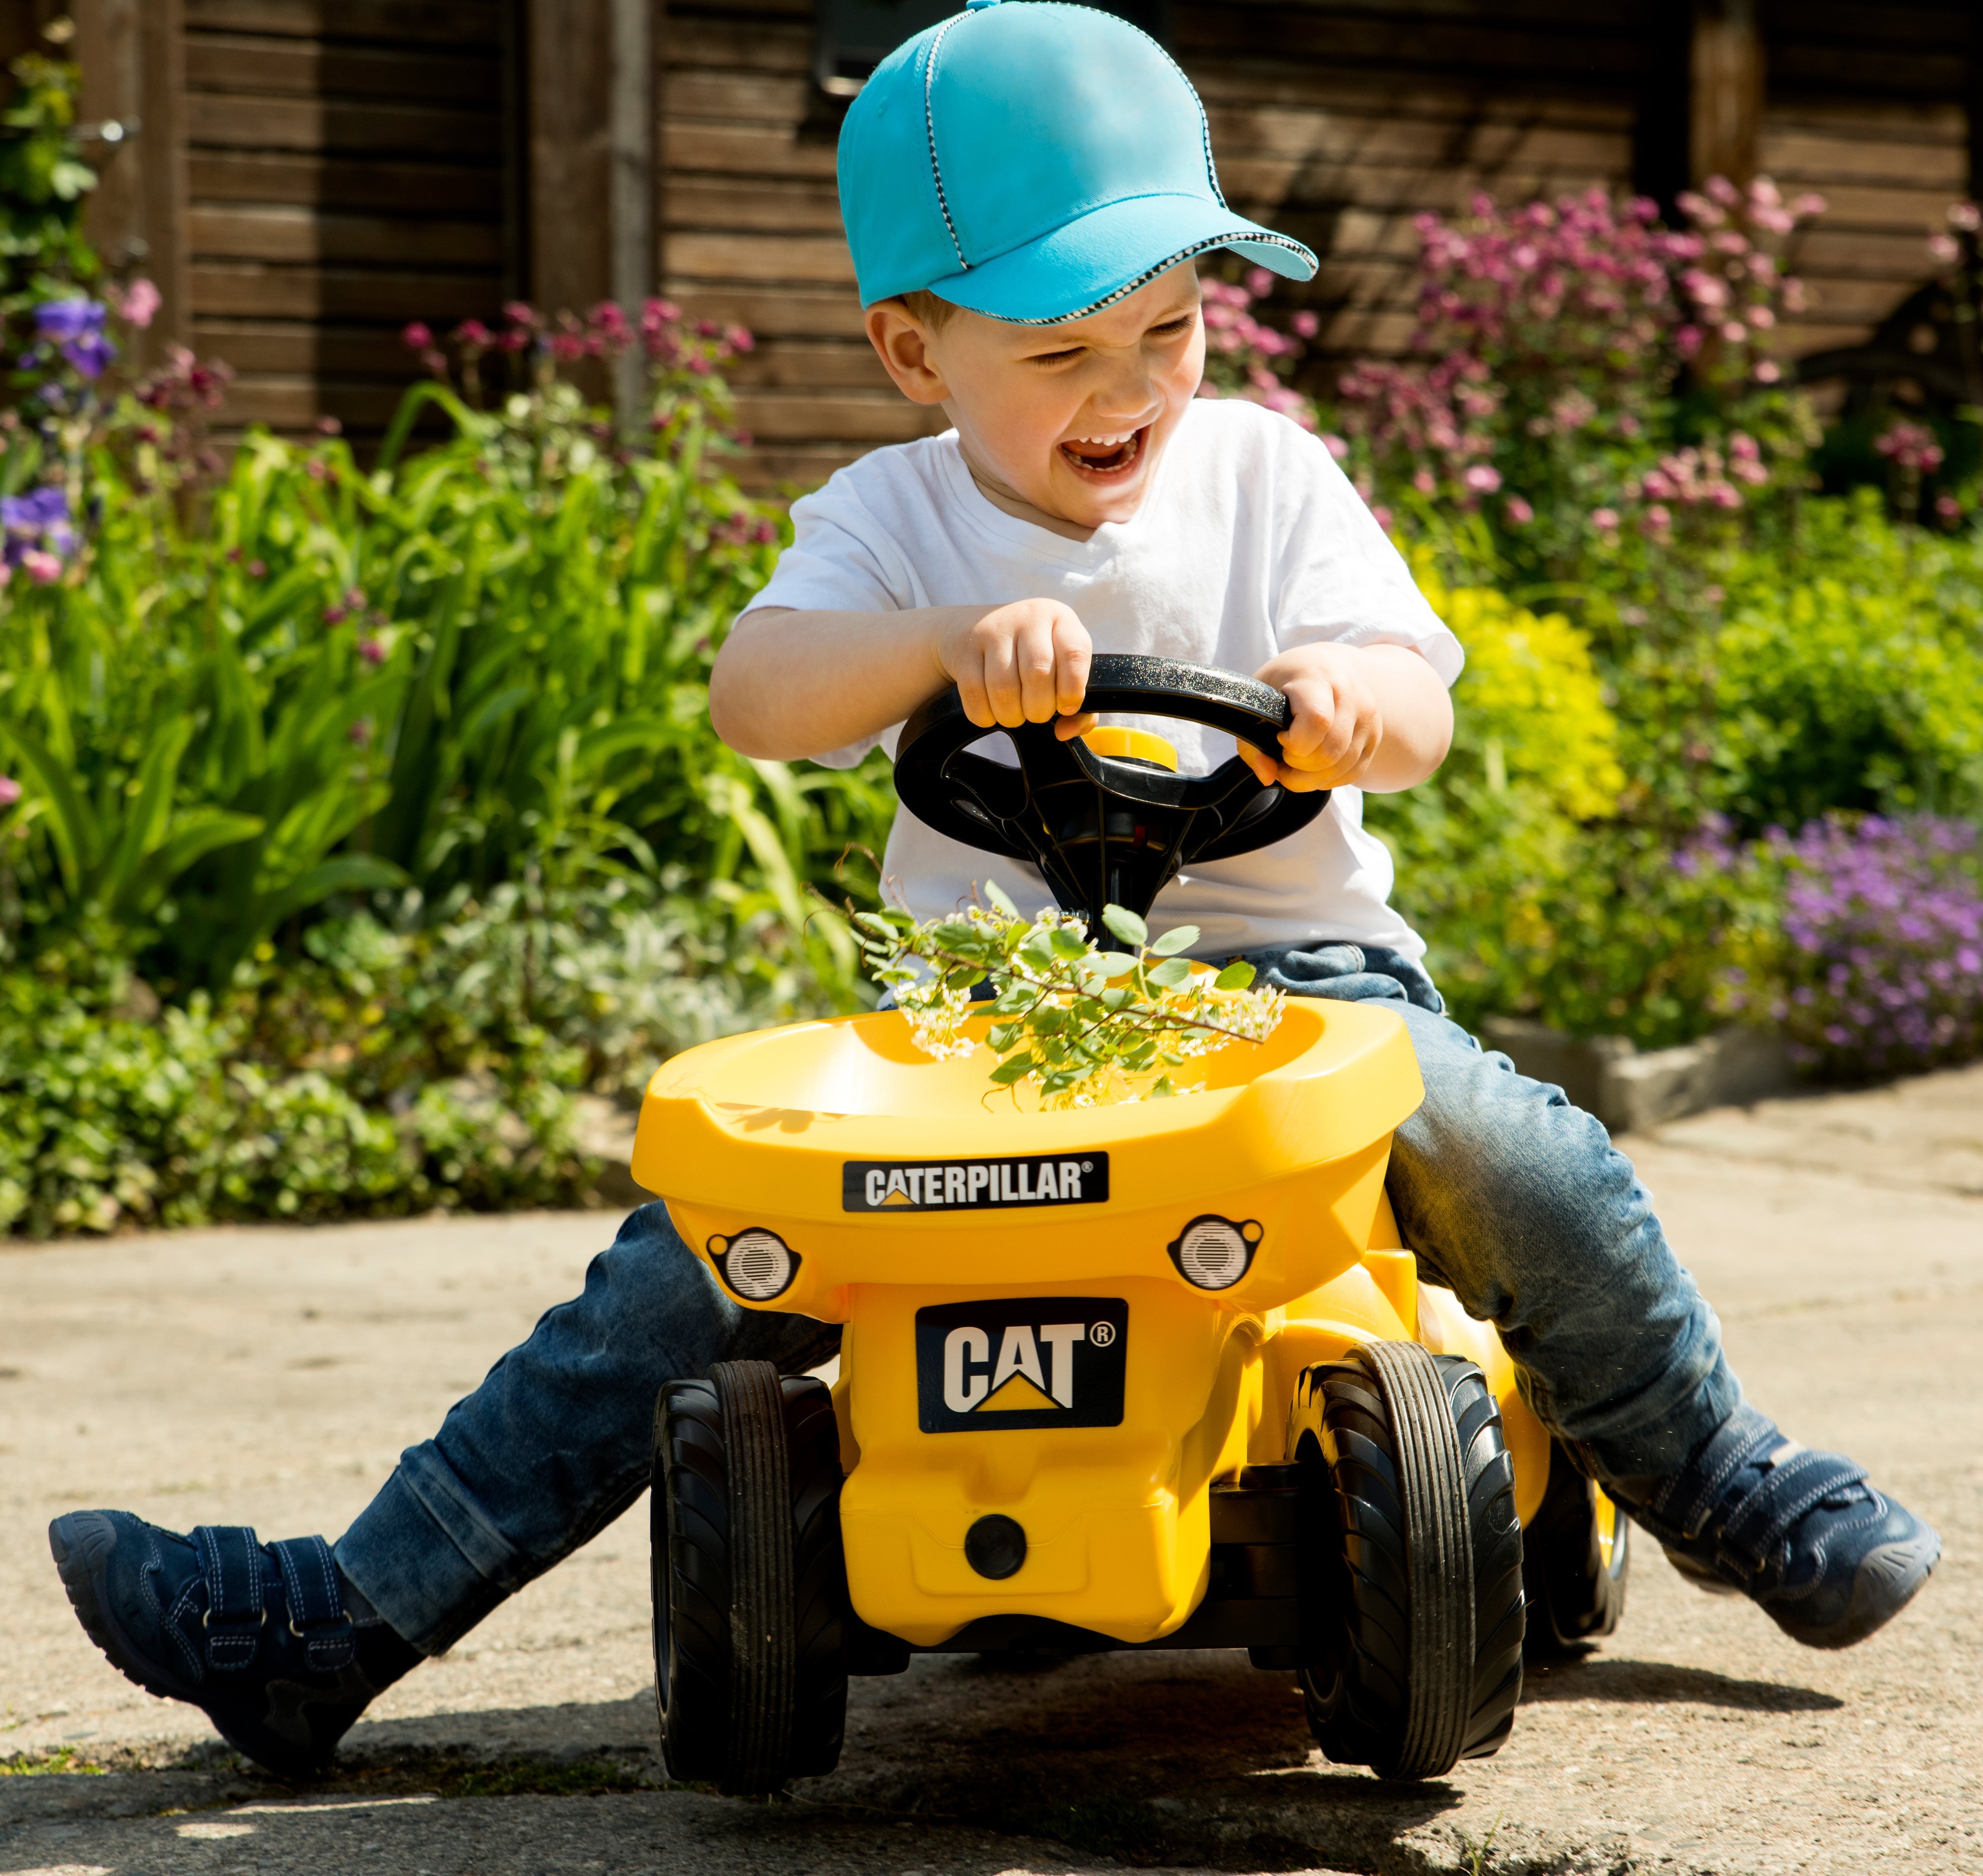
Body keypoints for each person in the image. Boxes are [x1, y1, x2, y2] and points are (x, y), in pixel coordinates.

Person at [50, 0, 1938, 1783]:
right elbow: (756, 693)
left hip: (1299, 998)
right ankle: (340, 1618)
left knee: (1517, 1154)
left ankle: (1724, 1476)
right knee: (680, 1267)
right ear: (912, 348)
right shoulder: (890, 522)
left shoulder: (1272, 483)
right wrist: (942, 636)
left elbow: (1423, 704)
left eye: (1169, 331)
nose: (1130, 391)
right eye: (1058, 352)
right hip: (980, 1026)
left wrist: (1362, 705)